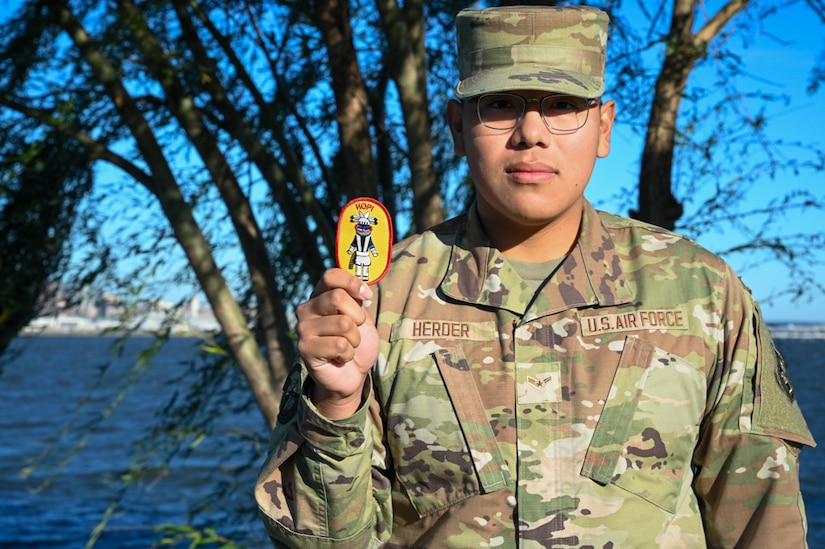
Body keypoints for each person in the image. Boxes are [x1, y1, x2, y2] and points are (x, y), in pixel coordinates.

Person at [255, 5, 815, 548]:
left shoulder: (702, 292)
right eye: (499, 104)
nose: (531, 133)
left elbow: (764, 524)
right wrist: (334, 406)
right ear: (456, 127)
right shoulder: (379, 300)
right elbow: (328, 543)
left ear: (603, 127)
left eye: (563, 104)